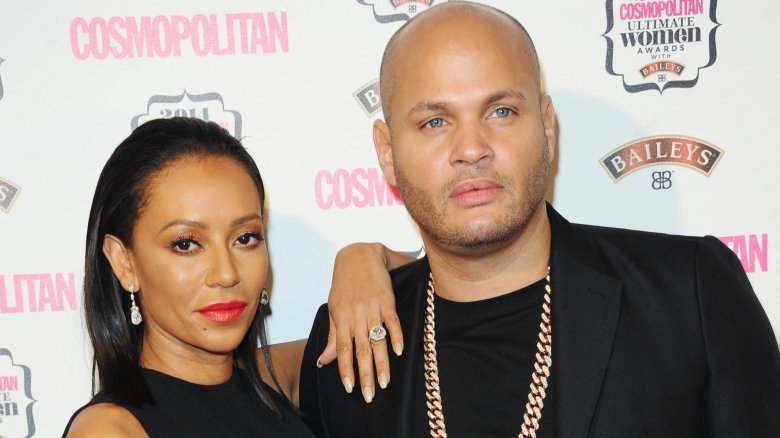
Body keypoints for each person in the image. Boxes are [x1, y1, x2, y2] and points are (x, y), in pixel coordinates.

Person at [299, 2, 780, 437]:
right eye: (435, 122)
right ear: (386, 152)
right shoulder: (345, 342)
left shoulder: (687, 294)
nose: (471, 149)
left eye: (501, 110)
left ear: (546, 126)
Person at [63, 117, 409, 436]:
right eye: (186, 244)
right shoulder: (110, 428)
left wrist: (362, 258)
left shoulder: (273, 382)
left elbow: (439, 299)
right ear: (124, 263)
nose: (226, 274)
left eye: (245, 238)